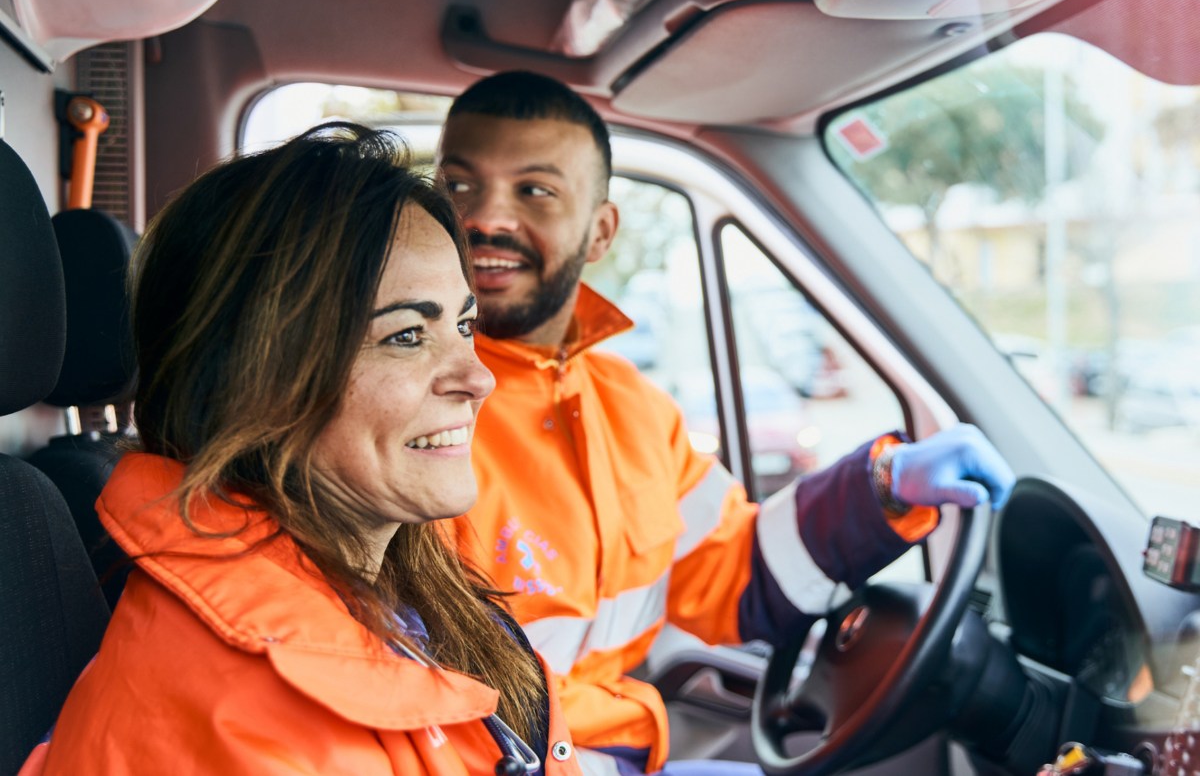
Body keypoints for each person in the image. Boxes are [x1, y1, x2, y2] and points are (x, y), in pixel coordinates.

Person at [437, 71, 1017, 775]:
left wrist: (884, 486)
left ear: (600, 232)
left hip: (604, 750)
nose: (486, 218)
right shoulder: (402, 413)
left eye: (535, 191)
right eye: (459, 187)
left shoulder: (635, 408)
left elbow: (735, 574)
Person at [22, 124, 583, 775]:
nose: (479, 377)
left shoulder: (402, 580)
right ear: (258, 376)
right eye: (406, 335)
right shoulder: (238, 718)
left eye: (463, 324)